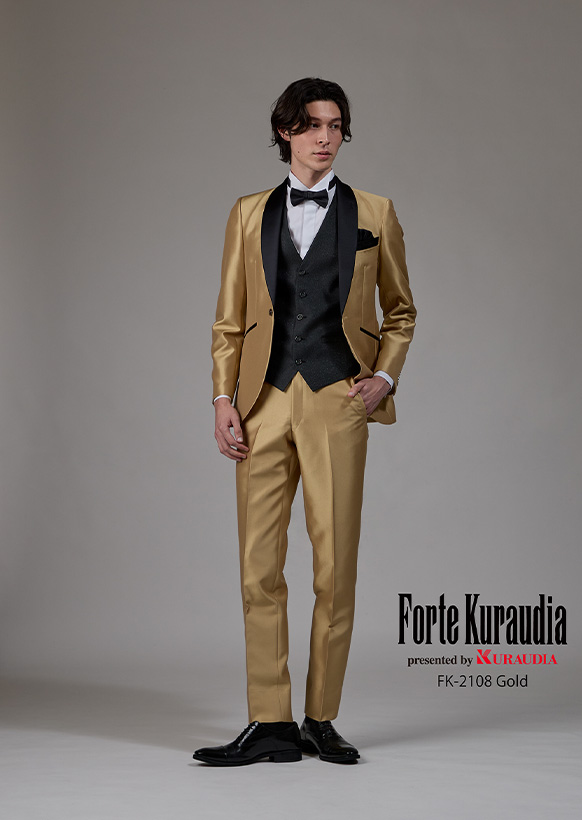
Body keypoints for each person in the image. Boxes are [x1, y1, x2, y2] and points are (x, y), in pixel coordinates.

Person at [193, 78, 416, 767]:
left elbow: (401, 310)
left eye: (336, 124)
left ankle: (321, 718)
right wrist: (222, 399)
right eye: (312, 124)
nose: (326, 137)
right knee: (258, 568)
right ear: (285, 131)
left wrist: (384, 377)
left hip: (336, 400)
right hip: (260, 402)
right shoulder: (246, 212)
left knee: (334, 566)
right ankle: (270, 723)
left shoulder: (375, 211)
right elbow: (229, 320)